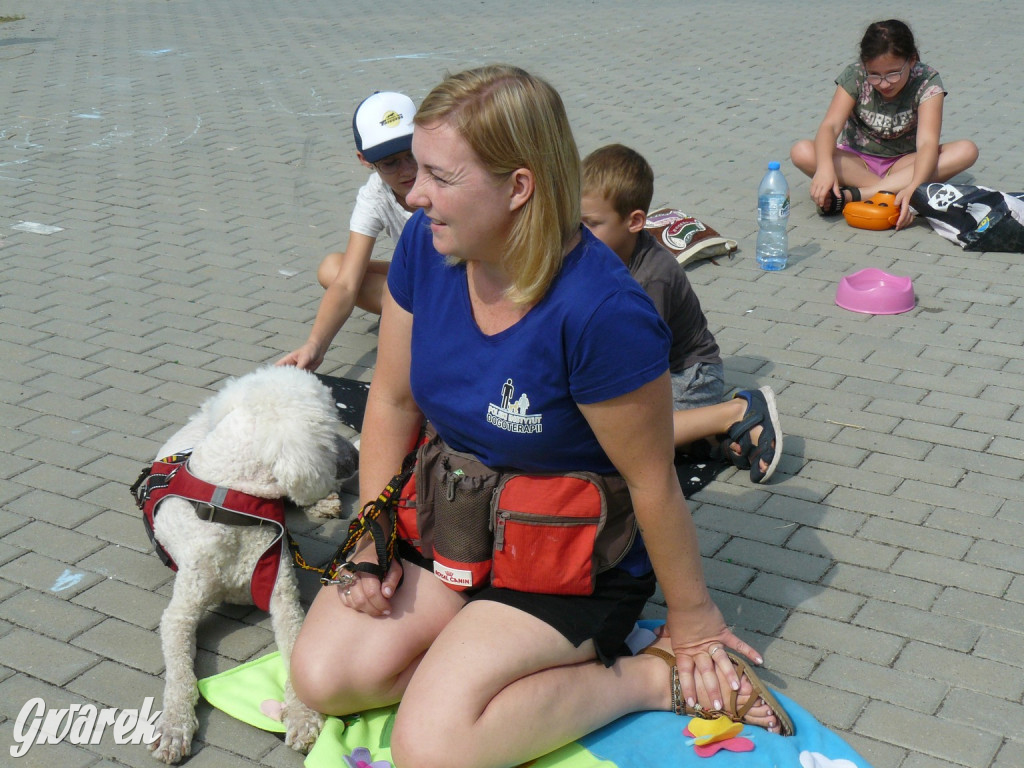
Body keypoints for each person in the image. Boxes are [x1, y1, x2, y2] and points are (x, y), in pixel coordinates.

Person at [290, 65, 790, 768]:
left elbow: (652, 482)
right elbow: (393, 400)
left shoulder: (600, 311)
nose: (415, 194)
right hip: (453, 523)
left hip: (564, 560)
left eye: (438, 175)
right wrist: (370, 533)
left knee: (431, 749)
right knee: (323, 679)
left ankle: (647, 677)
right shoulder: (424, 249)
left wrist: (694, 623)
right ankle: (475, 652)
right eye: (416, 172)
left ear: (518, 186)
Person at [581, 144, 781, 483]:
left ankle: (736, 411)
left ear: (634, 221)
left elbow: (639, 366)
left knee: (624, 440)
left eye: (593, 224)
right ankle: (716, 440)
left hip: (688, 377)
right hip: (657, 375)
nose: (581, 234)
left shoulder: (651, 277)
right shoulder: (597, 251)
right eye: (577, 222)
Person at [276, 91, 419, 371]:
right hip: (429, 276)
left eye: (412, 154)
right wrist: (315, 345)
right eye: (390, 162)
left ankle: (415, 317)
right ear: (365, 159)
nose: (407, 170)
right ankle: (412, 312)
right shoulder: (375, 195)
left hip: (469, 280)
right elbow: (345, 284)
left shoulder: (447, 177)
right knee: (333, 269)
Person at [790, 19, 978, 230]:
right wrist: (825, 168)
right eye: (875, 76)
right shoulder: (855, 75)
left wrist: (915, 187)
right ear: (864, 66)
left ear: (912, 60)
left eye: (893, 74)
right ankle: (893, 193)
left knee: (966, 150)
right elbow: (830, 127)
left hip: (904, 165)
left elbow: (927, 143)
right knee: (802, 151)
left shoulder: (927, 81)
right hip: (856, 162)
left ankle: (859, 195)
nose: (884, 84)